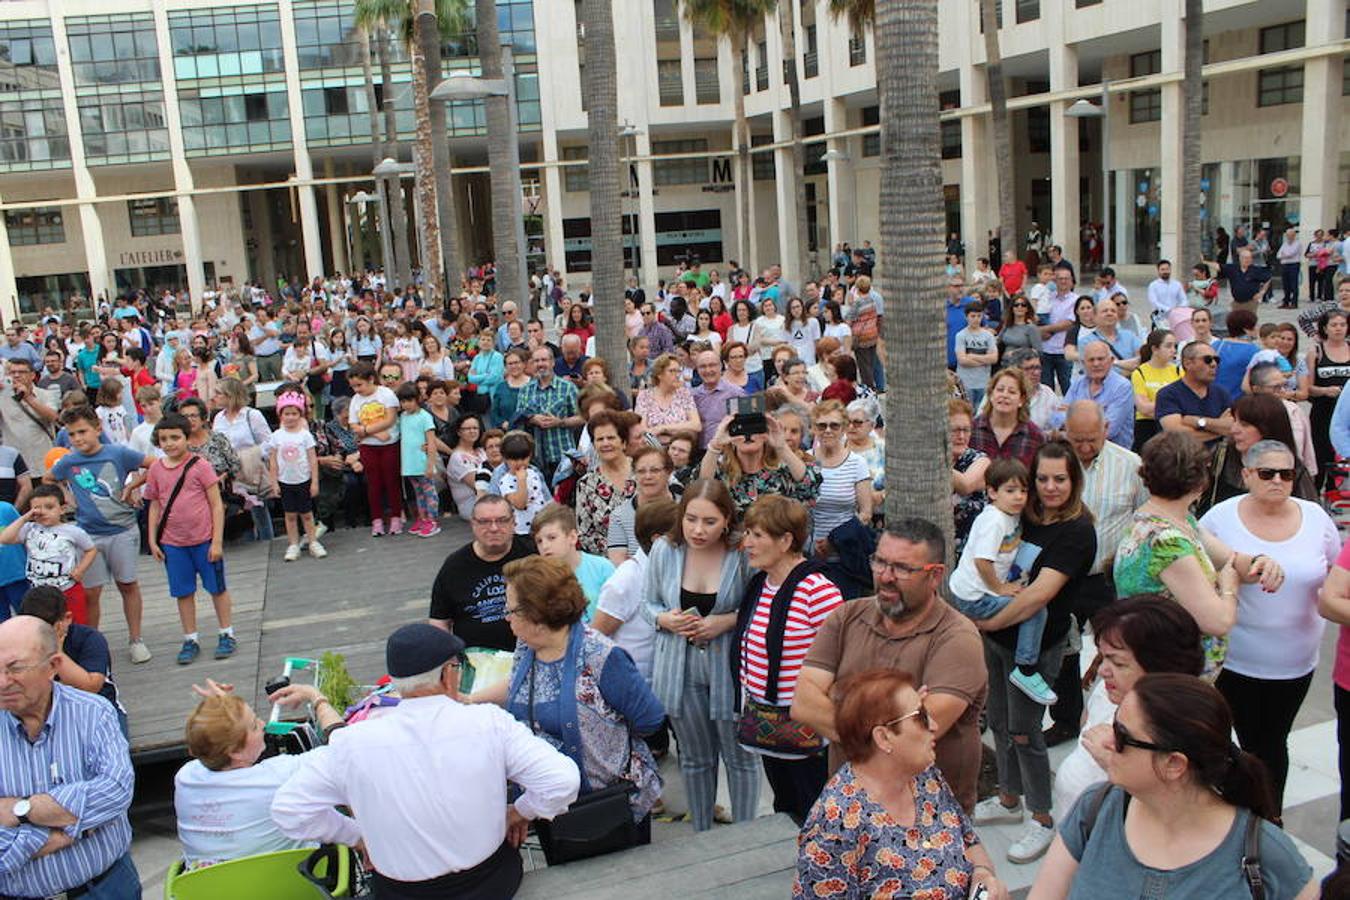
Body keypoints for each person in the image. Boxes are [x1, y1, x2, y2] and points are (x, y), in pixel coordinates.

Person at [271, 623, 581, 898]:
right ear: (448, 675)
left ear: (397, 684)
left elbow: (289, 810)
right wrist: (518, 812)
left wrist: (357, 837)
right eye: (458, 667)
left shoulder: (351, 744)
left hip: (401, 893)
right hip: (492, 884)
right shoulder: (489, 722)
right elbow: (562, 781)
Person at [1028, 674, 1317, 900]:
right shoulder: (1096, 808)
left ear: (1174, 764)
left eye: (1122, 735)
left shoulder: (1265, 853)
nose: (1107, 741)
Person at [791, 518, 988, 812]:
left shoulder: (957, 638)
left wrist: (838, 705)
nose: (885, 576)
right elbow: (803, 704)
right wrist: (889, 724)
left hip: (927, 818)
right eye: (880, 562)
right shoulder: (846, 617)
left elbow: (916, 736)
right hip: (848, 808)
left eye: (902, 568)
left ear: (935, 575)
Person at [969, 441, 1097, 863]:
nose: (1050, 487)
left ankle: (1042, 818)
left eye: (1060, 479)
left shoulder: (1077, 531)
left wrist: (987, 623)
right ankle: (1009, 798)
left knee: (1026, 731)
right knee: (999, 723)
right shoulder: (1024, 514)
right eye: (1042, 478)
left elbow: (1039, 595)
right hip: (999, 641)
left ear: (1074, 481)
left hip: (1036, 649)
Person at [473, 556, 664, 839]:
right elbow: (516, 684)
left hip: (609, 808)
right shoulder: (527, 646)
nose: (506, 617)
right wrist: (468, 700)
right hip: (550, 808)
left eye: (511, 610)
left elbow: (649, 718)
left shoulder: (601, 656)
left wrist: (608, 747)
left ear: (536, 616)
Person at [1200, 439, 1339, 811]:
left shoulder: (1316, 518)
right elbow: (1200, 570)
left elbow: (1336, 571)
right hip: (1237, 658)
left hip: (1296, 661)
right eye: (1267, 473)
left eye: (1286, 474)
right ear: (1246, 475)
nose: (1278, 480)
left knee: (1275, 739)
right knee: (1243, 742)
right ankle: (1240, 813)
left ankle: (1269, 815)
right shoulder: (1219, 518)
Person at [794, 668, 1008, 900]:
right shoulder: (835, 822)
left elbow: (969, 841)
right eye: (921, 716)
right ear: (883, 737)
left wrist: (983, 875)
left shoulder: (925, 776)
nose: (934, 725)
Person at [1114, 431, 1284, 677]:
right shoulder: (1168, 542)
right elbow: (1218, 622)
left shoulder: (1173, 520)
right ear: (1199, 481)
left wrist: (1259, 562)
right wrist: (1229, 586)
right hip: (1167, 673)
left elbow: (1230, 559)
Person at [643, 479, 758, 831]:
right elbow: (648, 603)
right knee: (694, 759)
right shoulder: (665, 550)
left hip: (731, 670)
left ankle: (747, 838)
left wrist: (726, 621)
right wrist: (664, 619)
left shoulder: (741, 553)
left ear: (727, 520)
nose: (697, 530)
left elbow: (758, 606)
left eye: (709, 522)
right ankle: (702, 836)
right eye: (691, 519)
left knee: (740, 758)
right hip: (680, 669)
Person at [0, 615, 139, 898]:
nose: (3, 682)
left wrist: (19, 810)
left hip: (105, 889)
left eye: (15, 668)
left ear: (53, 666)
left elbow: (116, 791)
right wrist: (67, 832)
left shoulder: (94, 713)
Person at [735, 495, 844, 823]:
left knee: (815, 810)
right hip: (768, 723)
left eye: (757, 535)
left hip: (806, 729)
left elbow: (843, 657)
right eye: (747, 533)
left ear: (785, 541)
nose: (747, 543)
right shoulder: (761, 584)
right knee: (785, 807)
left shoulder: (817, 590)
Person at [1050, 595, 1205, 819]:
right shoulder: (1108, 692)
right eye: (1103, 657)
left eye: (1119, 663)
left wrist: (1112, 762)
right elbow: (1086, 725)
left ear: (1163, 667)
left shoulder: (1190, 726)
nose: (1102, 671)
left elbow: (1188, 812)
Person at [175, 676, 343, 868]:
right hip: (292, 880)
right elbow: (344, 750)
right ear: (235, 752)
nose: (263, 725)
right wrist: (316, 697)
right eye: (254, 725)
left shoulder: (185, 777)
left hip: (209, 884)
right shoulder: (280, 776)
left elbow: (210, 742)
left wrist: (219, 712)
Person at [46, 405, 153, 663]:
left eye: (82, 431)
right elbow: (49, 478)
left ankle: (136, 639)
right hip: (88, 536)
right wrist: (66, 496)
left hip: (122, 530)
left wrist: (133, 487)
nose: (77, 438)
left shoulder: (117, 453)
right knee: (91, 592)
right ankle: (90, 641)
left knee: (127, 584)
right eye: (72, 434)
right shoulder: (69, 461)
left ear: (97, 428)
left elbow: (154, 464)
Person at [949, 457, 1058, 707]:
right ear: (992, 492)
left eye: (1023, 491)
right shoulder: (994, 520)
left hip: (978, 591)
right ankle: (1025, 668)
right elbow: (982, 561)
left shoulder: (1010, 515)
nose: (1018, 497)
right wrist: (1000, 589)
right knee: (1034, 609)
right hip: (975, 598)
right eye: (1010, 490)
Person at [142, 413, 238, 666]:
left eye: (175, 437)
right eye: (164, 439)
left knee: (217, 588)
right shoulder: (156, 469)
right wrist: (152, 539)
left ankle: (226, 633)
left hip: (204, 539)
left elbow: (216, 504)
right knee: (183, 592)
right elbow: (154, 504)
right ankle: (190, 638)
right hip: (173, 543)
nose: (169, 443)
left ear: (187, 438)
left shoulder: (200, 465)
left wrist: (217, 541)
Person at [428, 494, 536, 651]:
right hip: (476, 659)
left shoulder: (533, 553)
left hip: (533, 652)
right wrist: (448, 658)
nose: (494, 528)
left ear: (514, 522)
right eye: (484, 522)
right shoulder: (454, 567)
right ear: (473, 524)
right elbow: (439, 622)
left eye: (502, 520)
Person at [19, 585, 128, 735]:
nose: (39, 637)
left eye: (46, 630)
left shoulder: (90, 638)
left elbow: (91, 686)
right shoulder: (21, 644)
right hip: (47, 713)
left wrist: (56, 650)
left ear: (67, 619)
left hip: (98, 709)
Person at [594, 498, 678, 685]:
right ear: (658, 539)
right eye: (679, 534)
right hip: (631, 686)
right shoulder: (626, 579)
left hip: (663, 684)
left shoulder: (674, 570)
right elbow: (596, 638)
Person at [1204, 392, 1319, 513]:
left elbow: (1310, 513)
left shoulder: (1292, 467)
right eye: (1234, 421)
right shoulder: (1222, 454)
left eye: (1245, 425)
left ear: (1267, 428)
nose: (1234, 430)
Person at [0, 484, 94, 625]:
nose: (43, 512)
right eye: (37, 508)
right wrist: (25, 518)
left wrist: (81, 569)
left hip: (67, 588)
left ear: (62, 509)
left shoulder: (73, 531)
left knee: (75, 624)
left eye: (49, 507)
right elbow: (4, 538)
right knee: (43, 626)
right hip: (39, 592)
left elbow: (91, 549)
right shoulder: (29, 529)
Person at [699, 411, 821, 517]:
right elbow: (701, 491)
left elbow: (810, 488)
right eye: (741, 428)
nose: (748, 435)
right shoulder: (720, 469)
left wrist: (781, 446)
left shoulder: (783, 470)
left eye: (755, 428)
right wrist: (716, 445)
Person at [807, 400, 871, 552]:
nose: (828, 430)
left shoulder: (857, 463)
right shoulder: (805, 460)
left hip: (846, 550)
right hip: (809, 550)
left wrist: (834, 541)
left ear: (844, 429)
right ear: (814, 429)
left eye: (834, 425)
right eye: (822, 426)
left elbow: (866, 514)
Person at [269, 393, 327, 561]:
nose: (290, 417)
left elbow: (312, 460)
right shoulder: (276, 436)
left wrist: (314, 482)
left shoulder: (305, 435)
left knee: (307, 514)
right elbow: (273, 461)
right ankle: (293, 544)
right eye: (286, 414)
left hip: (303, 480)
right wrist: (274, 482)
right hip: (285, 481)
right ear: (280, 415)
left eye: (294, 413)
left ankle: (313, 541)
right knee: (290, 515)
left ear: (300, 415)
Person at [346, 362, 402, 536]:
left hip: (389, 445)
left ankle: (396, 518)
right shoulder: (355, 400)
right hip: (368, 446)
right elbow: (353, 425)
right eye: (353, 386)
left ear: (371, 379)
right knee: (373, 484)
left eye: (359, 385)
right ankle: (376, 520)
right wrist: (373, 433)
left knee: (391, 482)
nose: (356, 389)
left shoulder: (386, 394)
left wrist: (365, 431)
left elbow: (390, 420)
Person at [531, 503, 615, 618]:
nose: (544, 546)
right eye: (539, 541)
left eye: (552, 538)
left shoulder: (602, 568)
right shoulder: (537, 579)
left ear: (572, 537)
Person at [574, 410, 636, 557]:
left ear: (623, 442)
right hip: (609, 562)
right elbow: (585, 534)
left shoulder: (645, 470)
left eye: (611, 438)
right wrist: (618, 553)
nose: (605, 443)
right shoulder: (586, 484)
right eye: (600, 439)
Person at [1052, 340, 1135, 449]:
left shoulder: (1122, 387)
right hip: (1077, 451)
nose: (1096, 364)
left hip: (1112, 452)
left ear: (1111, 361)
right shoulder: (1078, 384)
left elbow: (1109, 430)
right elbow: (1057, 418)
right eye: (1091, 360)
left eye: (1100, 359)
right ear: (1083, 363)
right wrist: (1096, 417)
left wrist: (1074, 417)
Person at [517, 346, 581, 480]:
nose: (540, 364)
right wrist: (532, 418)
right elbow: (518, 418)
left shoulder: (568, 387)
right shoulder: (525, 390)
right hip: (534, 458)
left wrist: (560, 422)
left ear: (552, 362)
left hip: (563, 456)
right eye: (536, 361)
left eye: (544, 360)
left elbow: (582, 417)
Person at [1156, 340, 1233, 447]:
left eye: (1216, 360)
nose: (1213, 364)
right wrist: (1219, 429)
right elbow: (1177, 435)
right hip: (1182, 456)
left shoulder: (1221, 394)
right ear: (1188, 363)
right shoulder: (1168, 394)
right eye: (1207, 360)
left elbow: (1233, 426)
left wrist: (1199, 422)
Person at [971, 367, 1045, 469]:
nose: (1005, 395)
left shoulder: (1035, 436)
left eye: (1012, 392)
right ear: (991, 395)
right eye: (1000, 390)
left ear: (1022, 400)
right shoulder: (971, 429)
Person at [394, 383, 440, 537]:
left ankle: (432, 520)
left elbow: (431, 441)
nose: (406, 404)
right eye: (403, 401)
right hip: (409, 464)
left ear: (418, 399)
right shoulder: (403, 417)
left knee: (429, 492)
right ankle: (423, 518)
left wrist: (430, 464)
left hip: (422, 462)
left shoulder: (425, 416)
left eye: (410, 400)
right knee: (418, 493)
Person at [949, 398, 990, 554]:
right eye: (954, 430)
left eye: (966, 430)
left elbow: (965, 486)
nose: (961, 436)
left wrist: (935, 459)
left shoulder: (980, 460)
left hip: (971, 548)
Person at [1130, 329, 1181, 450]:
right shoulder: (1140, 372)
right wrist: (1170, 404)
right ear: (1155, 349)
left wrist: (1157, 406)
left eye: (1174, 346)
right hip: (1147, 427)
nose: (1173, 350)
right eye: (1168, 346)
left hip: (1171, 426)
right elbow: (1143, 407)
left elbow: (1184, 403)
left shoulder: (1178, 371)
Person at [498, 431, 550, 535]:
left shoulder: (534, 473)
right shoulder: (505, 481)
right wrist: (521, 481)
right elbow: (520, 504)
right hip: (522, 531)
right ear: (505, 458)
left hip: (542, 526)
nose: (519, 462)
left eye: (523, 458)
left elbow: (544, 498)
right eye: (514, 459)